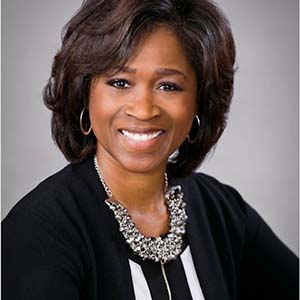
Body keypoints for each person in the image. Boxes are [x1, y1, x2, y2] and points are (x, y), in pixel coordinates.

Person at [2, 0, 298, 299]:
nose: (143, 110)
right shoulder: (39, 231)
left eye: (168, 86)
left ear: (199, 101)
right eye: (120, 82)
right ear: (84, 93)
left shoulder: (220, 210)